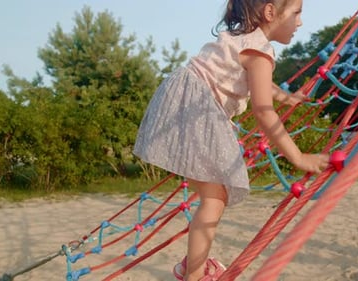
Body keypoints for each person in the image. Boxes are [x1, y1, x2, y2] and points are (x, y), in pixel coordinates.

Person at [133, 0, 330, 280]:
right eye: (297, 13)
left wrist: (287, 97)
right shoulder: (260, 52)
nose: (300, 22)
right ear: (270, 12)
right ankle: (194, 275)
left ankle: (193, 268)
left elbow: (259, 83)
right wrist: (298, 157)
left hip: (184, 99)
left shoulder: (245, 41)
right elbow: (263, 112)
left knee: (216, 196)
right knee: (214, 200)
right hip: (198, 108)